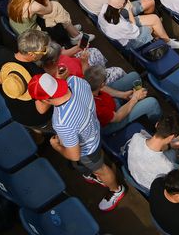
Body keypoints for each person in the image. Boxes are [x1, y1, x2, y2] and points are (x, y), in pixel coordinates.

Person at [29, 71, 127, 212]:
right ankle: (93, 174)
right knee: (89, 166)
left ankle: (116, 190)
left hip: (88, 149)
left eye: (38, 99)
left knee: (101, 169)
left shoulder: (62, 122)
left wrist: (56, 146)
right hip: (93, 130)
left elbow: (74, 155)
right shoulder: (75, 81)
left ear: (46, 99)